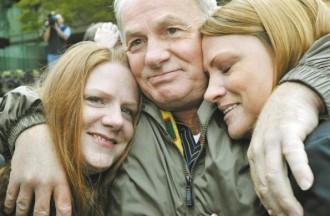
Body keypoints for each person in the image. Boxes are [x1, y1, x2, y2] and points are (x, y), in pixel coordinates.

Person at [0, 0, 329, 215]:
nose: (154, 57)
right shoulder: (119, 114)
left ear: (212, 26)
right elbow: (55, 94)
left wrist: (299, 89)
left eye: (172, 31)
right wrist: (32, 129)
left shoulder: (258, 98)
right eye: (137, 42)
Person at [201, 0, 330, 215]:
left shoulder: (311, 154)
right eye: (207, 77)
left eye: (226, 68)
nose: (209, 93)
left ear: (283, 48)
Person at [0, 41, 141, 215]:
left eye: (127, 110)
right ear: (60, 100)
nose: (117, 120)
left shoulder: (129, 193)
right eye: (96, 100)